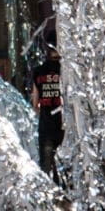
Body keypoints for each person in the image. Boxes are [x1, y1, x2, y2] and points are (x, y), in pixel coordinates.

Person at [32, 46, 64, 179]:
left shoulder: (39, 72)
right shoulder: (65, 71)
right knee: (63, 168)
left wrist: (43, 115)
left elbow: (35, 103)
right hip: (64, 127)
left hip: (46, 126)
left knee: (46, 166)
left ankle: (50, 197)